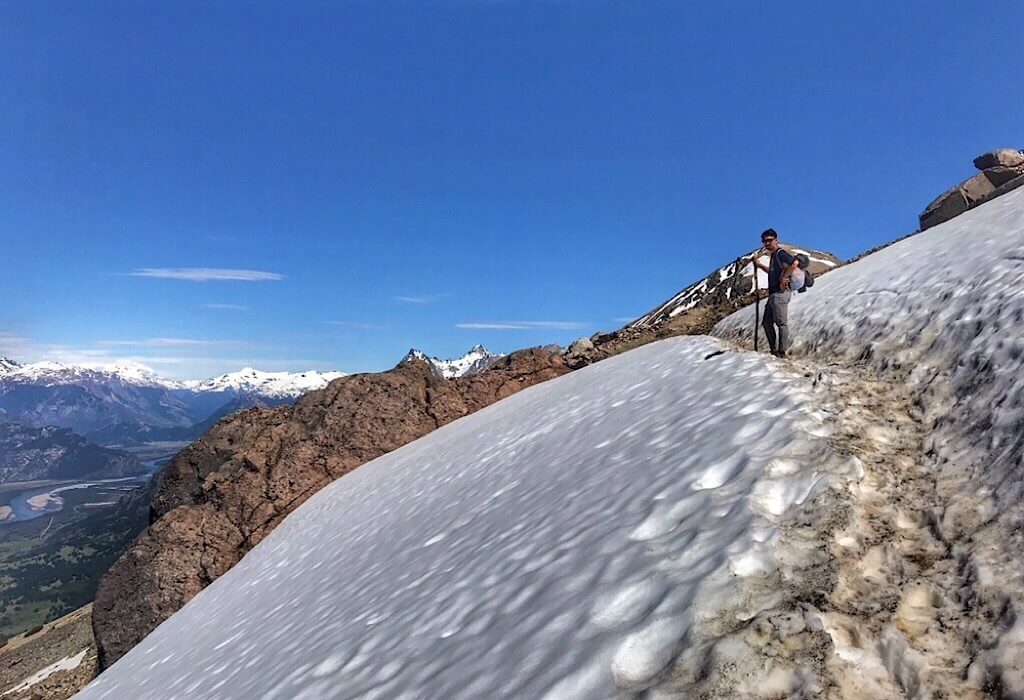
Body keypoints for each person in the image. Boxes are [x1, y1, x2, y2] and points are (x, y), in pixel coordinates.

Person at [752, 228, 799, 357]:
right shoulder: (774, 256)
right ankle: (774, 350)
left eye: (769, 240)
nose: (767, 243)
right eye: (764, 241)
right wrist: (760, 266)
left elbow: (794, 262)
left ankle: (781, 352)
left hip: (781, 292)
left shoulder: (780, 253)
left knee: (781, 323)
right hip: (773, 294)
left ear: (776, 240)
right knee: (767, 322)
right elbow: (773, 272)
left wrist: (785, 277)